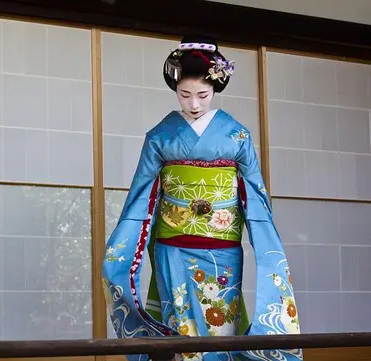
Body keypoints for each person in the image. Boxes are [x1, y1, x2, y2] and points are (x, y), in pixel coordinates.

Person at [102, 35, 302, 361]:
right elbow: (140, 196)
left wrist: (266, 243)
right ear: (175, 88)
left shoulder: (237, 135)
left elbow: (256, 196)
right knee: (181, 328)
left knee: (219, 324)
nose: (194, 104)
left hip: (223, 249)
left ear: (215, 89)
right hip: (173, 246)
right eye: (185, 95)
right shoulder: (160, 136)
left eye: (202, 95)